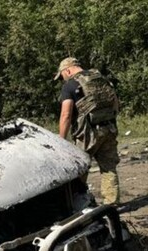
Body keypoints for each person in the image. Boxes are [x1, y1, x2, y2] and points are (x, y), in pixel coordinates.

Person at [56, 57, 120, 205]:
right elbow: (116, 104)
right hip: (109, 128)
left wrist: (61, 140)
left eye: (62, 76)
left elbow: (66, 115)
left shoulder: (70, 86)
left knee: (80, 169)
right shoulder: (101, 79)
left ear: (68, 70)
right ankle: (112, 204)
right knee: (109, 168)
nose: (62, 80)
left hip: (87, 135)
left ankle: (79, 204)